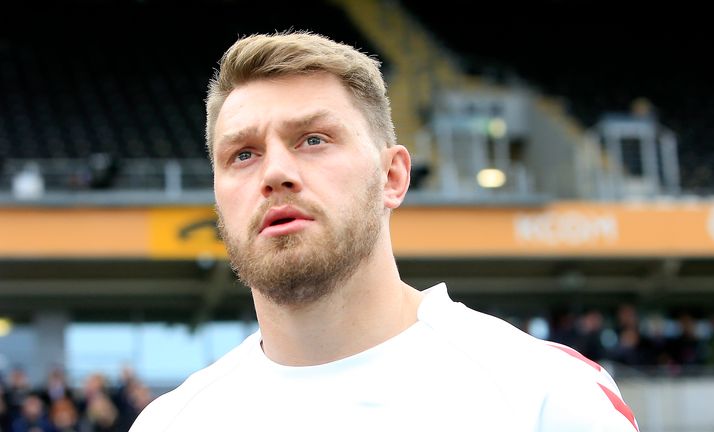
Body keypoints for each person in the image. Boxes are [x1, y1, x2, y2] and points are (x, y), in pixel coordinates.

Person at [129, 31, 639, 431]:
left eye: (312, 139)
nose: (274, 173)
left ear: (392, 176)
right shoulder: (171, 423)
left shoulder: (546, 396)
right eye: (243, 154)